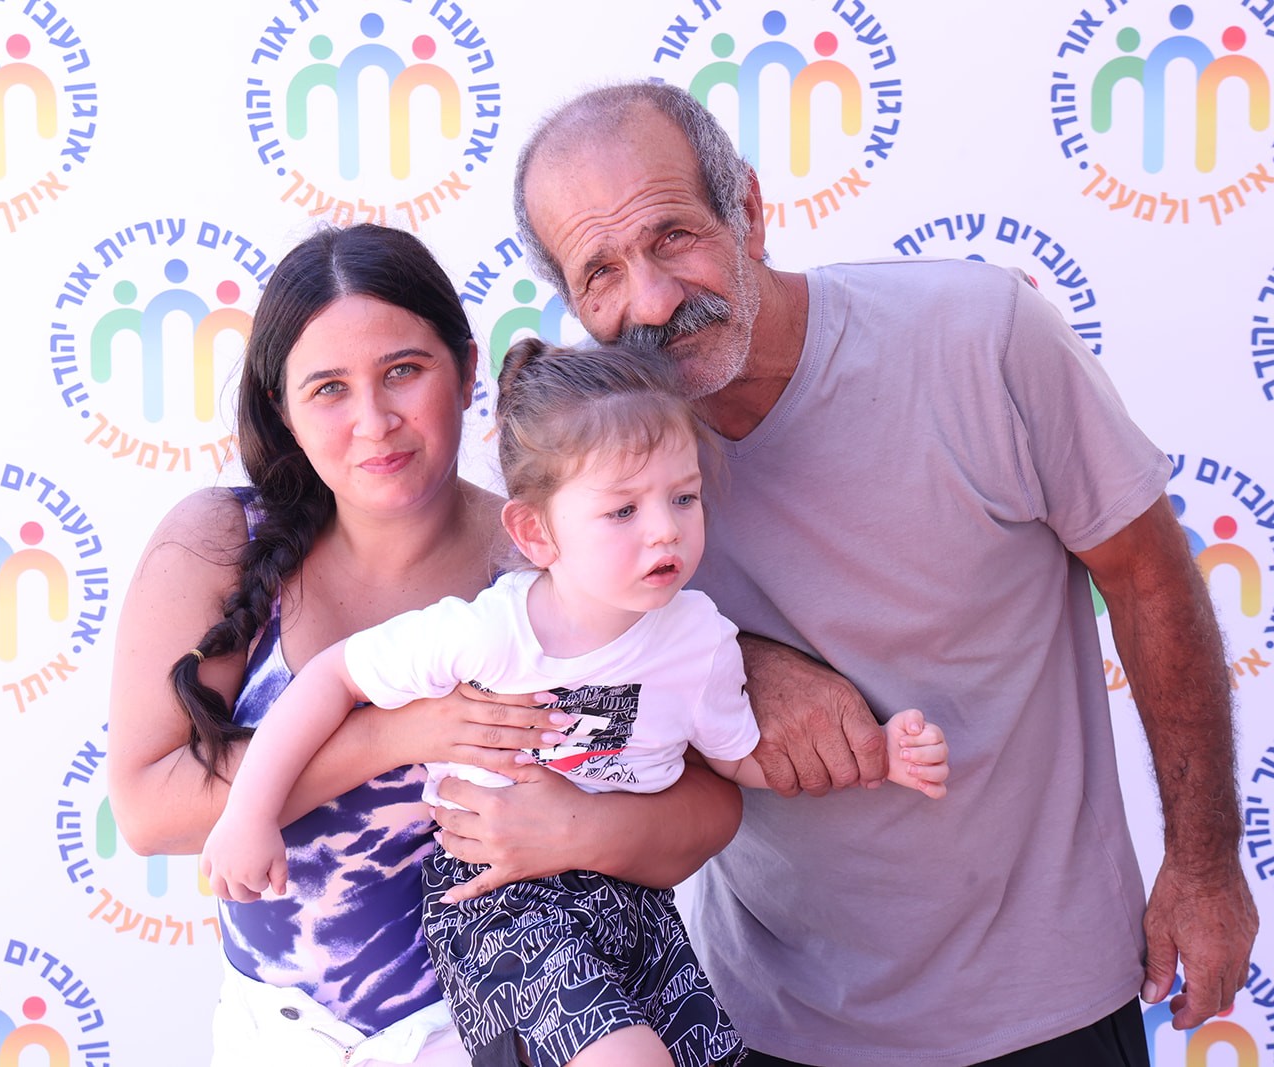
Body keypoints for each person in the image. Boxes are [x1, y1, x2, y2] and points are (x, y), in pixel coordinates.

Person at [510, 82, 1259, 1067]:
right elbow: (545, 657)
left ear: (749, 212)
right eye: (601, 272)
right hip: (768, 1022)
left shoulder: (981, 336)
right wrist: (738, 662)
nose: (651, 300)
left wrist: (1205, 864)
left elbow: (1149, 577)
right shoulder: (585, 463)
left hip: (1048, 1006)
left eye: (673, 236)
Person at [201, 337, 951, 1067]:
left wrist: (877, 751)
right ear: (536, 532)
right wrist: (249, 813)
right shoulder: (489, 631)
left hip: (632, 896)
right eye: (623, 510)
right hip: (500, 903)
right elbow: (331, 677)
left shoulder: (700, 639)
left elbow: (736, 756)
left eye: (683, 497)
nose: (665, 530)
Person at [106, 224, 748, 1067]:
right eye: (328, 388)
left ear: (466, 369)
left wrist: (584, 827)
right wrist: (399, 733)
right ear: (281, 407)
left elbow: (710, 801)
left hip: (497, 1028)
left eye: (403, 370)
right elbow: (148, 809)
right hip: (280, 1037)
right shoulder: (220, 539)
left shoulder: (555, 563)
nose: (375, 421)